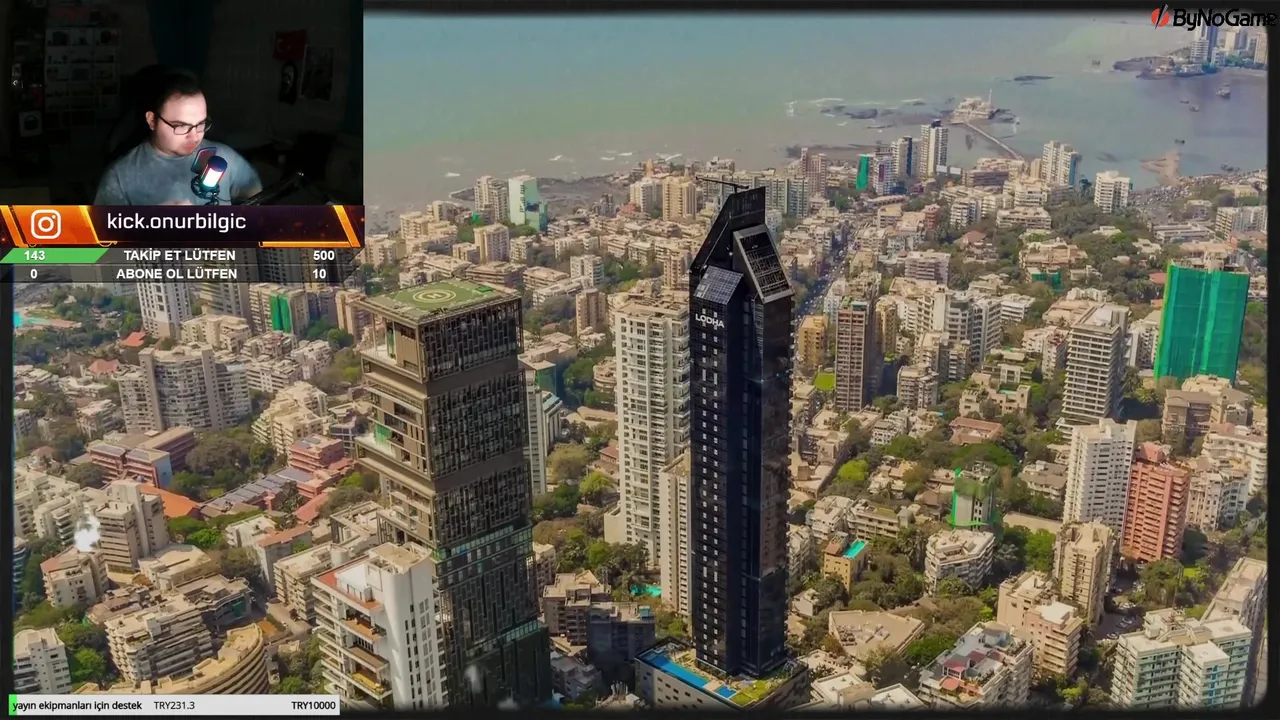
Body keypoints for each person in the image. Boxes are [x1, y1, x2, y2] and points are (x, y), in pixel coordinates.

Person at [94, 72, 262, 205]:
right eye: (181, 126)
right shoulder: (121, 177)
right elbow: (99, 236)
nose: (194, 136)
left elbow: (256, 197)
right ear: (152, 120)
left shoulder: (224, 158)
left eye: (200, 124)